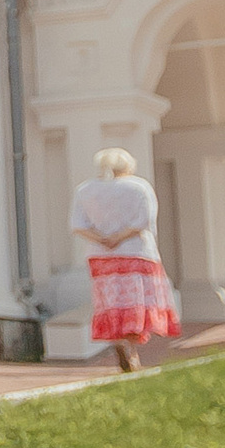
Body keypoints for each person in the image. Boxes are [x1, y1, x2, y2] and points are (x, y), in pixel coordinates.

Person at [71, 146, 179, 369]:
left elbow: (77, 225)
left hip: (101, 256)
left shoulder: (85, 189)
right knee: (135, 304)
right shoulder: (139, 186)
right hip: (136, 252)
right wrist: (119, 237)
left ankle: (119, 342)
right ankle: (131, 350)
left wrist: (103, 239)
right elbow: (144, 220)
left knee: (110, 303)